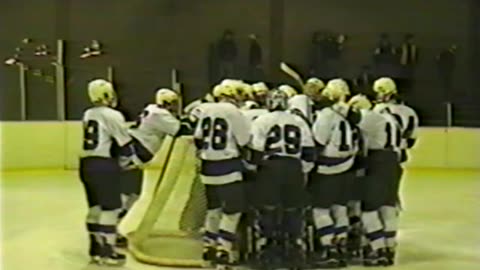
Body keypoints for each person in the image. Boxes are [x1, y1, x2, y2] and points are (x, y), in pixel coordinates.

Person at [116, 88, 194, 246]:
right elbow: (181, 130)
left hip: (132, 153)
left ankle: (111, 229)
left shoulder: (152, 109)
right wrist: (192, 119)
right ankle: (109, 231)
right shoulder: (161, 115)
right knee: (127, 195)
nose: (174, 106)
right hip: (133, 155)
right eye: (173, 103)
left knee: (132, 194)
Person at [248, 90, 315, 269]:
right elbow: (309, 151)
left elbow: (256, 150)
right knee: (293, 209)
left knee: (268, 208)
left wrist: (255, 169)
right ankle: (294, 246)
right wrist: (303, 170)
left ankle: (268, 246)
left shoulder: (262, 120)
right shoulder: (299, 121)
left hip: (271, 168)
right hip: (293, 167)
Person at [192, 84, 250, 268]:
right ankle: (223, 249)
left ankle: (209, 246)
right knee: (233, 210)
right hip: (228, 165)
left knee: (213, 208)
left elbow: (198, 138)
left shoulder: (206, 109)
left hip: (208, 165)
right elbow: (244, 140)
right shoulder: (233, 111)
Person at [78, 79, 134, 266]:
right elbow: (124, 144)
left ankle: (95, 248)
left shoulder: (88, 113)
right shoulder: (112, 115)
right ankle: (108, 251)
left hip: (86, 164)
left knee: (94, 208)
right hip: (104, 165)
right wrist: (130, 162)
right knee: (111, 208)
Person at [347, 93, 402, 267]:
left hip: (377, 162)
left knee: (369, 209)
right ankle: (389, 248)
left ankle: (377, 249)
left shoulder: (369, 117)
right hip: (394, 162)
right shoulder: (390, 119)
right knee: (388, 206)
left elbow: (352, 125)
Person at [308, 79, 358, 268]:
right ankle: (342, 243)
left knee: (320, 209)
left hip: (327, 168)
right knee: (340, 207)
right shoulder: (353, 114)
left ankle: (329, 247)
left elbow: (319, 141)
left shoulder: (327, 114)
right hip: (348, 166)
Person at [372, 78, 419, 264]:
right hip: (396, 161)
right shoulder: (410, 112)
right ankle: (390, 244)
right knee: (390, 203)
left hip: (378, 162)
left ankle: (376, 244)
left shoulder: (377, 112)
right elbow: (410, 141)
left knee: (373, 205)